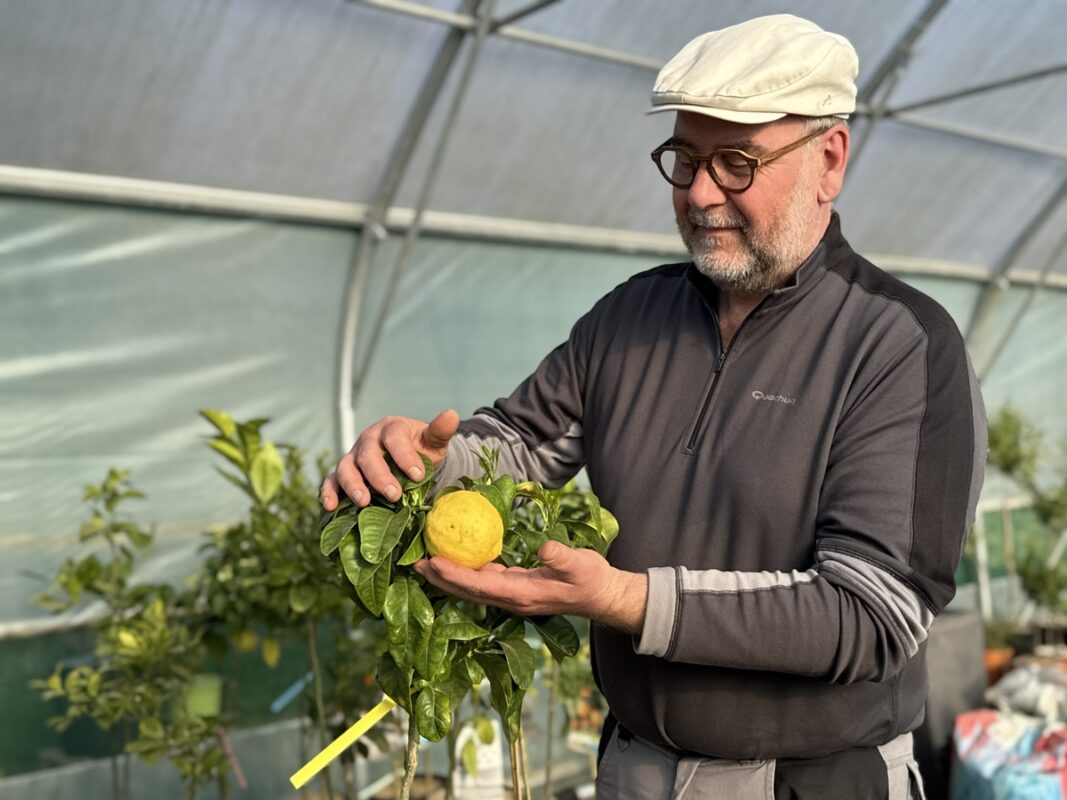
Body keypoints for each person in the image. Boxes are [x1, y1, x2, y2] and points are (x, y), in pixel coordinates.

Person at [321, 14, 986, 799]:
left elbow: (872, 612)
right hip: (635, 767)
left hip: (810, 780)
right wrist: (428, 459)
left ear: (828, 159)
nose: (700, 194)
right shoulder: (629, 321)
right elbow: (519, 443)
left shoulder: (898, 344)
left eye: (736, 163)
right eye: (683, 160)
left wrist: (624, 599)